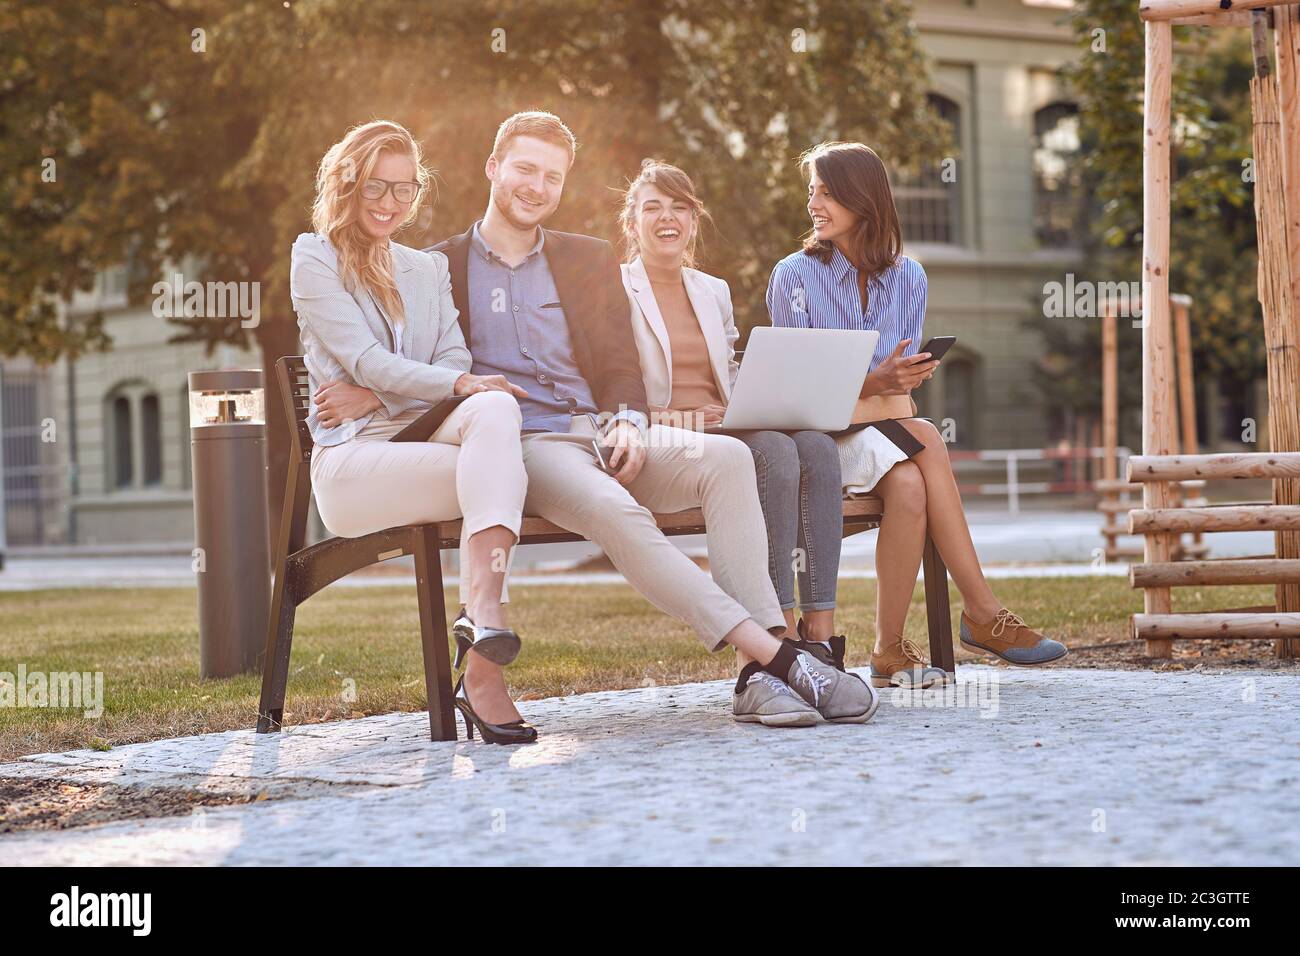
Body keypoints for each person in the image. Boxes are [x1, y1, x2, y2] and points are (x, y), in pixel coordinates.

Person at [426, 111, 879, 728]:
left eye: (552, 176)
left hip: (603, 433)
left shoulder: (585, 259)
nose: (537, 186)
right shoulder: (438, 267)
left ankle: (756, 678)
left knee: (728, 457)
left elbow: (618, 367)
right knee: (617, 510)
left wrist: (630, 422)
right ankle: (779, 659)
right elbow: (417, 365)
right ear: (492, 168)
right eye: (525, 168)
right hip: (526, 444)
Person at [767, 141, 1068, 678]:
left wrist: (871, 387)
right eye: (812, 191)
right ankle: (982, 613)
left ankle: (888, 649)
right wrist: (873, 383)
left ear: (864, 199)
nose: (814, 204)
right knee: (926, 435)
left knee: (908, 484)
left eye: (828, 193)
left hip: (880, 433)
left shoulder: (909, 277)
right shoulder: (793, 274)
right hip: (813, 446)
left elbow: (898, 394)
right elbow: (797, 395)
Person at [289, 120, 538, 746]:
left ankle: (482, 629)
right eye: (377, 185)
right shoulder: (313, 257)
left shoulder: (426, 268)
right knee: (500, 462)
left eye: (405, 189)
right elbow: (372, 358)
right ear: (347, 182)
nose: (391, 202)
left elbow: (452, 360)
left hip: (422, 447)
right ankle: (484, 657)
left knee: (497, 412)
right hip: (355, 469)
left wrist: (380, 392)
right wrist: (422, 385)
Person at [616, 159, 869, 693]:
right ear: (632, 221)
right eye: (653, 208)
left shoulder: (712, 289)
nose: (668, 219)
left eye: (680, 208)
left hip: (725, 424)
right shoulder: (615, 290)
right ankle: (774, 631)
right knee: (776, 453)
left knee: (818, 448)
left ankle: (820, 634)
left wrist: (750, 401)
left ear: (694, 219)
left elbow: (728, 371)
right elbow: (613, 385)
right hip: (665, 432)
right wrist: (680, 418)